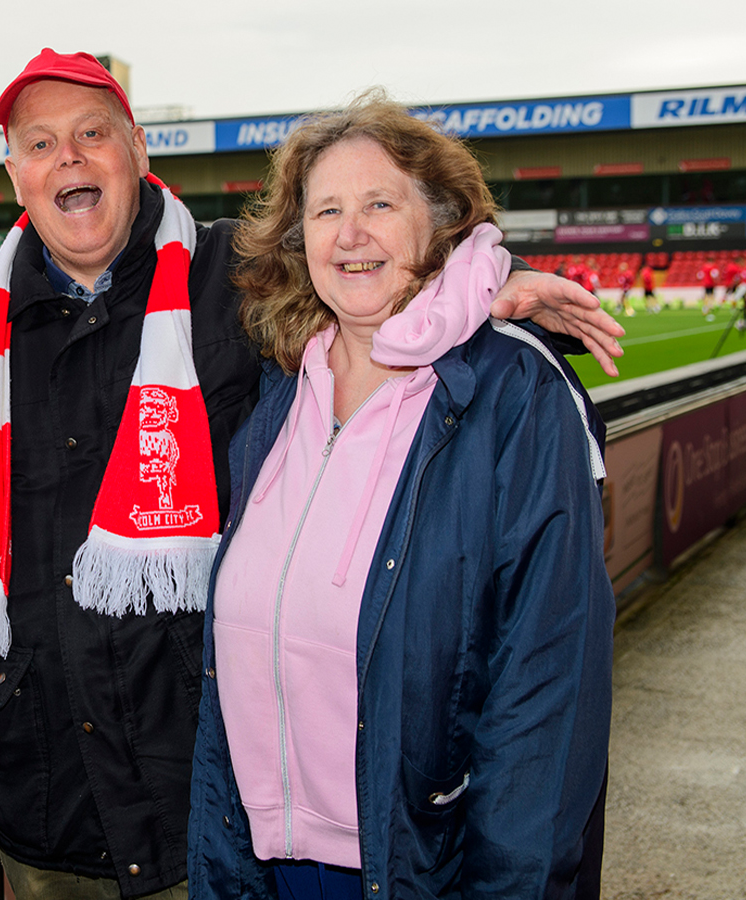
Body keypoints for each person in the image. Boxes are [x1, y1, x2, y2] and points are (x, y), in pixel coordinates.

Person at [0, 48, 624, 900]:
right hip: (58, 804)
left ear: (136, 147)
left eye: (93, 134)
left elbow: (370, 254)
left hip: (197, 814)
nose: (71, 159)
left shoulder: (230, 284)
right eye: (43, 144)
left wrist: (495, 274)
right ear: (15, 173)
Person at [187, 94, 614, 900]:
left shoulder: (513, 391)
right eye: (326, 210)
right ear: (298, 236)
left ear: (441, 223)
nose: (350, 234)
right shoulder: (278, 393)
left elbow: (546, 697)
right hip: (266, 863)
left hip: (421, 866)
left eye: (380, 204)